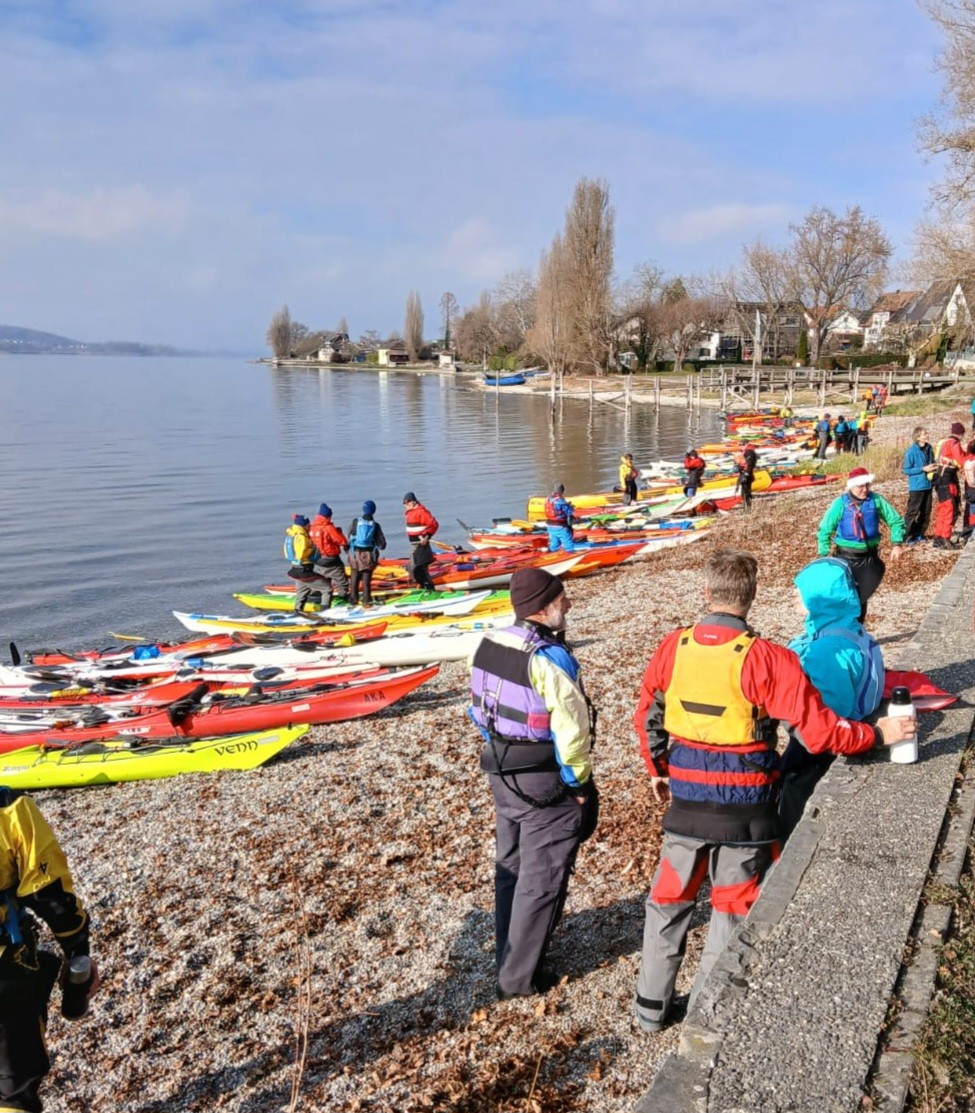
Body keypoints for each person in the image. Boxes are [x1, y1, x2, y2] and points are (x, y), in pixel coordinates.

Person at [632, 549, 915, 1033]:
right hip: (745, 810)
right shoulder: (770, 659)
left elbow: (647, 716)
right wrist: (877, 735)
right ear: (752, 596)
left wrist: (658, 767)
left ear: (707, 593)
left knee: (668, 901)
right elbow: (822, 732)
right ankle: (704, 1012)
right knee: (731, 907)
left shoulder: (671, 648)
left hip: (686, 804)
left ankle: (649, 1012)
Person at [468, 567, 598, 999]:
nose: (570, 605)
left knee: (511, 868)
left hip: (500, 771)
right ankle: (518, 980)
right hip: (541, 779)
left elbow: (479, 710)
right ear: (544, 607)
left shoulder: (489, 643)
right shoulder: (549, 658)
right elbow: (572, 730)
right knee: (541, 878)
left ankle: (508, 954)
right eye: (563, 599)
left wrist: (497, 751)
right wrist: (578, 785)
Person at [0, 787, 99, 1112]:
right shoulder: (11, 809)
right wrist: (77, 954)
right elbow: (49, 895)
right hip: (6, 976)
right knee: (12, 1090)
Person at [777, 557, 885, 839]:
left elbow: (825, 716)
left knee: (790, 782)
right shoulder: (849, 629)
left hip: (825, 745)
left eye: (800, 591)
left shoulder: (827, 649)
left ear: (818, 597)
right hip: (853, 722)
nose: (793, 595)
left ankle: (785, 843)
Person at [816, 466, 905, 621]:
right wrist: (823, 554)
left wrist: (897, 543)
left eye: (867, 485)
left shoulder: (876, 500)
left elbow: (896, 520)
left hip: (869, 558)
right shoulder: (840, 504)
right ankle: (842, 631)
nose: (865, 489)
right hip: (846, 557)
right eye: (860, 486)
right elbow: (824, 529)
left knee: (862, 597)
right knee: (845, 596)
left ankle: (858, 632)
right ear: (852, 486)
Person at [284, 514, 331, 613]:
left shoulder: (291, 536)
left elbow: (287, 553)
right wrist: (312, 550)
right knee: (327, 588)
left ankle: (298, 612)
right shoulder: (302, 537)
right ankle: (325, 613)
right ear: (303, 526)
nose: (310, 526)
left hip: (295, 569)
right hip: (305, 570)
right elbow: (301, 554)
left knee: (302, 592)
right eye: (308, 525)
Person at [932, 422, 967, 550]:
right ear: (961, 433)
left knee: (942, 508)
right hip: (948, 479)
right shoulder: (954, 444)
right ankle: (945, 538)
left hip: (939, 478)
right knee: (949, 508)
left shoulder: (943, 441)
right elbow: (961, 460)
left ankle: (938, 537)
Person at [346, 500, 387, 605]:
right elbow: (382, 545)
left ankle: (353, 600)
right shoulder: (376, 525)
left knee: (354, 576)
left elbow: (348, 536)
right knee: (366, 580)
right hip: (368, 556)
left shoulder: (355, 522)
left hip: (355, 554)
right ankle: (366, 600)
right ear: (374, 511)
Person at [309, 504, 350, 607]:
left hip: (318, 559)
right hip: (331, 558)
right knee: (342, 581)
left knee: (322, 580)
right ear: (328, 516)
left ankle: (317, 599)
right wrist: (340, 533)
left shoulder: (312, 527)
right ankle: (342, 600)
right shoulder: (328, 527)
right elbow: (341, 541)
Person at [902, 427, 937, 543]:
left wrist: (934, 467)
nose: (927, 435)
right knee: (912, 512)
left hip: (928, 484)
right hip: (916, 486)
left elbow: (932, 462)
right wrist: (922, 469)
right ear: (918, 437)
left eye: (927, 433)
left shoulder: (929, 448)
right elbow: (906, 470)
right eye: (924, 434)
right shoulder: (911, 451)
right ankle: (906, 536)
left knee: (926, 512)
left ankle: (919, 533)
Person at [403, 492, 440, 592]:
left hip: (421, 545)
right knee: (413, 569)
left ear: (414, 501)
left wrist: (427, 536)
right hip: (414, 545)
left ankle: (430, 590)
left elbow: (434, 524)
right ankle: (423, 588)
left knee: (420, 569)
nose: (406, 504)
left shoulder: (422, 511)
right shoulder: (409, 512)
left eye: (408, 502)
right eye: (405, 503)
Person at [543, 485, 576, 553]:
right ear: (562, 491)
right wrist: (570, 506)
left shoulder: (548, 499)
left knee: (555, 542)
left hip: (550, 525)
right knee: (567, 542)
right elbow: (569, 512)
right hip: (560, 526)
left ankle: (551, 553)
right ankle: (571, 554)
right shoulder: (560, 500)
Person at [734, 443, 758, 510]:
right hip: (743, 474)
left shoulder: (750, 453)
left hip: (747, 475)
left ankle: (748, 507)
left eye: (742, 445)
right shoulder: (745, 452)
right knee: (743, 492)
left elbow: (750, 465)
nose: (741, 446)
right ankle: (746, 506)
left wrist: (746, 475)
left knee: (746, 492)